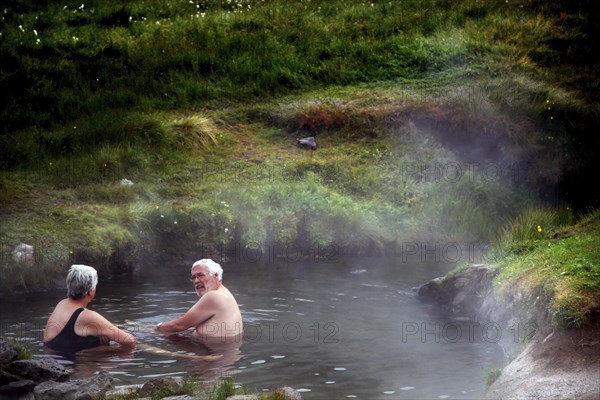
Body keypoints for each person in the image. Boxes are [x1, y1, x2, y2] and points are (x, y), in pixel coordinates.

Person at [44, 264, 137, 353]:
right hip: (76, 364)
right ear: (91, 292)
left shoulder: (61, 304)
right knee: (128, 351)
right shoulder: (88, 316)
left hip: (54, 356)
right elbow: (130, 341)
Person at [154, 259, 243, 341]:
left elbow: (179, 325)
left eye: (201, 275)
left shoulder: (213, 296)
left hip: (214, 353)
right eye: (194, 277)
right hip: (222, 349)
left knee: (152, 338)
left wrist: (156, 328)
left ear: (215, 276)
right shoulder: (224, 292)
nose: (196, 281)